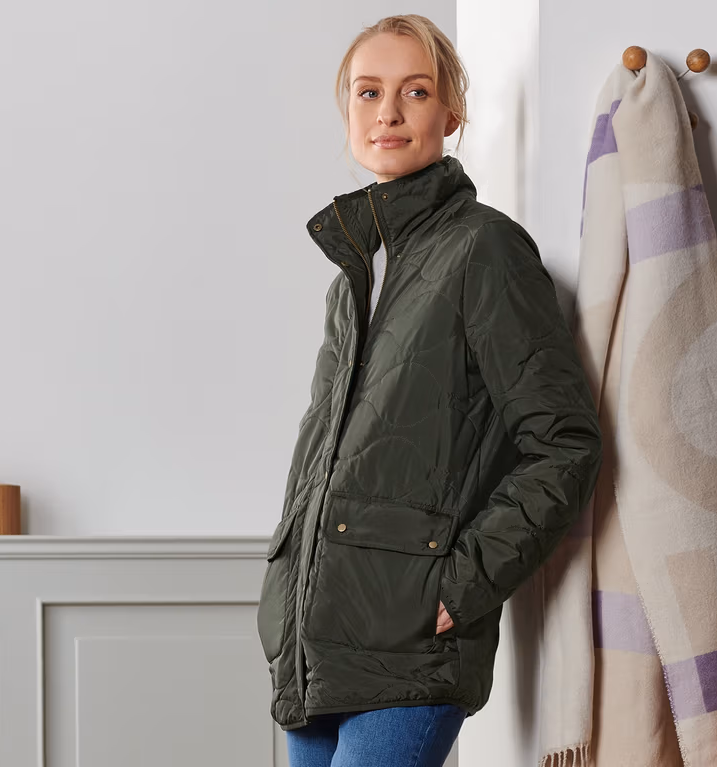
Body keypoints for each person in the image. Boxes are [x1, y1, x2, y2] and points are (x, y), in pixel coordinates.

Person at [256, 13, 602, 767]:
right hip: (314, 649)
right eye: (368, 92)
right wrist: (286, 587)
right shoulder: (352, 279)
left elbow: (564, 443)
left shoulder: (485, 247)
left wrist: (458, 586)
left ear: (452, 113)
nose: (387, 112)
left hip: (411, 651)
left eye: (415, 91)